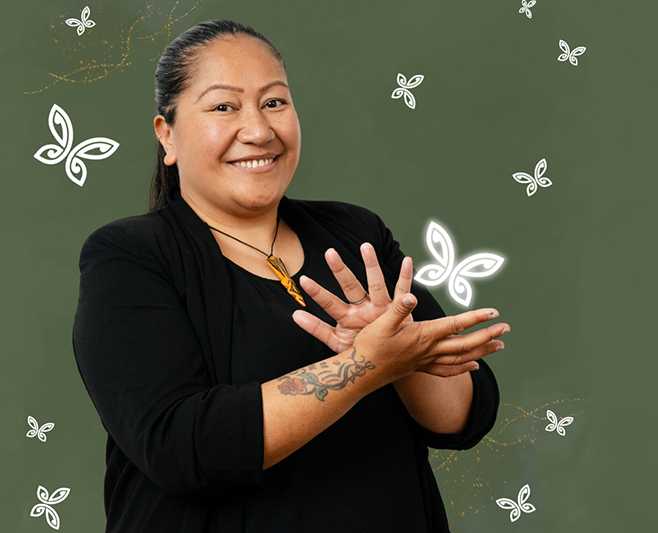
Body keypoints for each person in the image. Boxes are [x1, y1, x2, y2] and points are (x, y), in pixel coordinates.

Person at [72, 19, 507, 533]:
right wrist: (367, 366)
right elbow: (182, 446)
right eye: (223, 107)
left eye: (274, 102)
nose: (259, 130)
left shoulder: (354, 232)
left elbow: (463, 419)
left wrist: (401, 356)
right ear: (167, 135)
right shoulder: (128, 257)